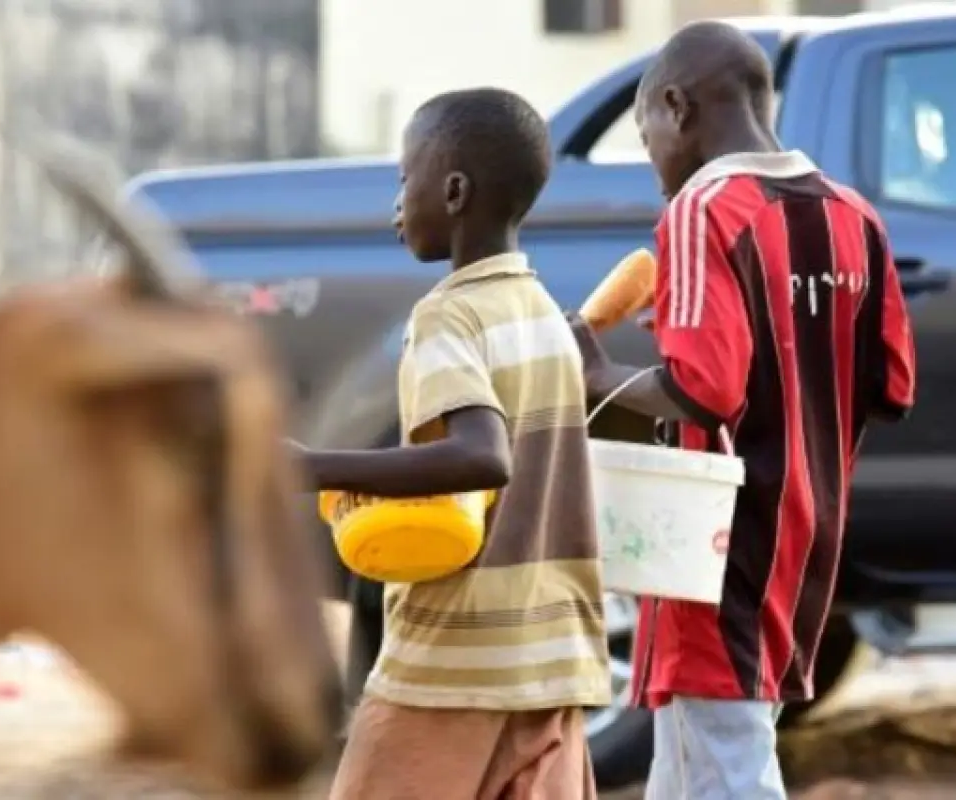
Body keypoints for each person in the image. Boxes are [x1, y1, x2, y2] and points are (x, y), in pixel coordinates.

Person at [568, 21, 916, 800]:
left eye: (645, 132)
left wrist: (598, 373)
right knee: (694, 760)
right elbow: (890, 385)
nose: (652, 156)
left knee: (725, 766)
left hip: (714, 547)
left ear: (676, 107)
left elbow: (705, 389)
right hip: (805, 534)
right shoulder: (853, 215)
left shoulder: (705, 207)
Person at [297, 87, 610, 800]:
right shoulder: (543, 315)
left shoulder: (449, 316)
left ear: (455, 190)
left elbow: (481, 456)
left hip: (453, 661)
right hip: (551, 655)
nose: (397, 203)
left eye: (406, 180)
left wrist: (313, 466)